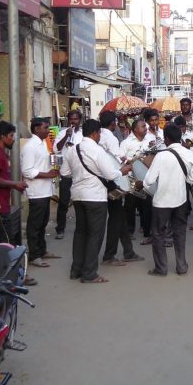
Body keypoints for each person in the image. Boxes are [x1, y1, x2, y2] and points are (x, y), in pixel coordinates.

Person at [60, 119, 131, 283]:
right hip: (95, 196)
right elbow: (111, 175)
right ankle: (89, 273)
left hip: (77, 195)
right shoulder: (97, 151)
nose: (100, 136)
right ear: (94, 133)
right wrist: (123, 171)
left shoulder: (73, 150)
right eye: (99, 133)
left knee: (80, 232)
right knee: (95, 234)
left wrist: (80, 176)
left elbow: (64, 173)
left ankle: (76, 269)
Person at [142, 124, 193, 276]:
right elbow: (192, 179)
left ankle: (161, 268)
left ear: (166, 138)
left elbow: (148, 181)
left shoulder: (161, 156)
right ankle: (181, 266)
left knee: (158, 234)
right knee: (179, 232)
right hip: (181, 199)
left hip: (162, 202)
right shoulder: (189, 154)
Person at [99, 111, 144, 266]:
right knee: (116, 218)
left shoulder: (99, 136)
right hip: (114, 182)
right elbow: (115, 160)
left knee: (119, 216)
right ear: (112, 123)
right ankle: (109, 255)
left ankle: (128, 251)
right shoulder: (110, 138)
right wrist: (126, 163)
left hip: (104, 181)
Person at [21, 117, 61, 267]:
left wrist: (53, 169)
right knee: (35, 224)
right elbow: (27, 170)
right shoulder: (30, 147)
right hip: (36, 191)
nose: (48, 130)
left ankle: (42, 250)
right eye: (45, 127)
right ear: (37, 129)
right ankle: (34, 255)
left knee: (43, 222)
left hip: (45, 190)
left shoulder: (43, 143)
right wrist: (47, 174)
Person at [0, 120, 27, 244]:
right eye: (11, 136)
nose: (13, 139)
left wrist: (15, 185)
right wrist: (14, 184)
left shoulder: (1, 153)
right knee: (7, 242)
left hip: (4, 204)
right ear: (2, 137)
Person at [53, 110, 83, 239]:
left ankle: (81, 228)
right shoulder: (61, 133)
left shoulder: (83, 135)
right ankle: (60, 229)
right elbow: (56, 149)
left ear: (80, 120)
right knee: (63, 203)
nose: (73, 122)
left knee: (80, 203)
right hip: (66, 174)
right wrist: (66, 136)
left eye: (76, 119)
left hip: (79, 174)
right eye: (71, 119)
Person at [121, 119, 153, 240]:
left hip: (146, 177)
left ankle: (147, 231)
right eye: (143, 126)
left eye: (145, 126)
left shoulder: (150, 140)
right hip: (131, 178)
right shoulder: (126, 142)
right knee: (130, 205)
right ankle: (129, 231)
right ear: (135, 130)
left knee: (147, 204)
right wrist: (132, 160)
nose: (146, 128)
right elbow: (121, 158)